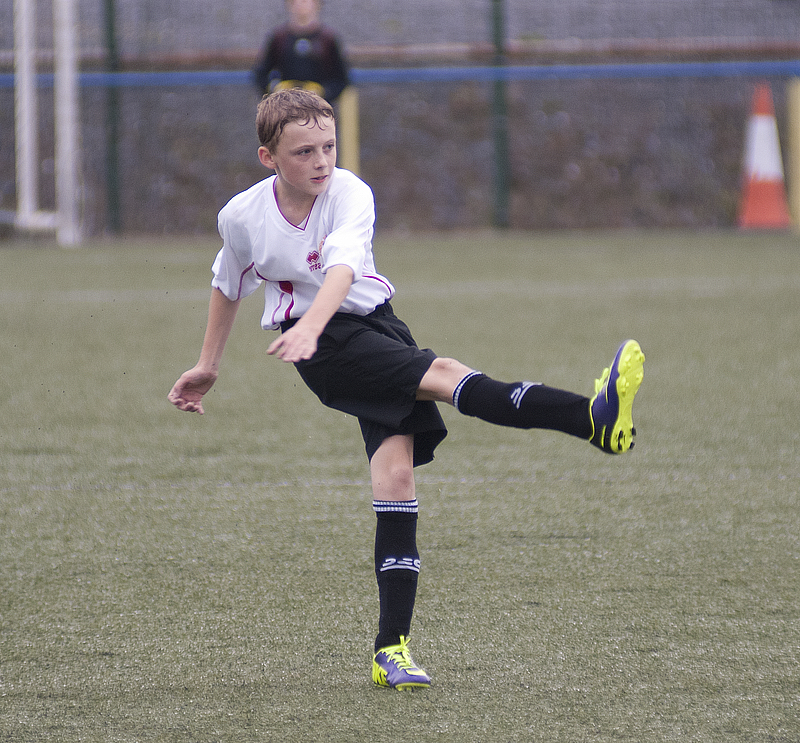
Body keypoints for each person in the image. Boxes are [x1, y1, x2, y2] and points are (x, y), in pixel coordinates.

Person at [168, 88, 645, 691]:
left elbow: (343, 267)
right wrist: (210, 361)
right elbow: (227, 280)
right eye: (304, 151)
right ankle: (591, 420)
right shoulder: (241, 215)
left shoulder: (349, 192)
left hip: (374, 324)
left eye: (329, 146)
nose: (321, 161)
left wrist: (313, 324)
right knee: (445, 374)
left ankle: (390, 649)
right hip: (325, 347)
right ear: (268, 158)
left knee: (395, 479)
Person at [252, 0, 349, 103]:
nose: (301, 4)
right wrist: (275, 90)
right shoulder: (279, 37)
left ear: (318, 4)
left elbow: (342, 79)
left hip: (318, 109)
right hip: (285, 108)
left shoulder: (328, 39)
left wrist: (323, 93)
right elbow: (260, 75)